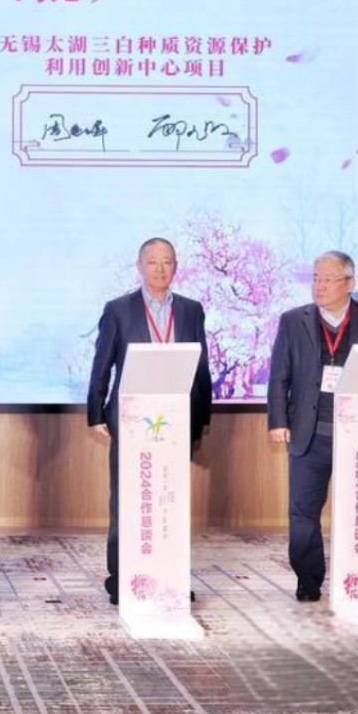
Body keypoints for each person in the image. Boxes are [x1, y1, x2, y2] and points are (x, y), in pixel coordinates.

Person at [86, 237, 212, 605]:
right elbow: (102, 364)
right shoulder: (118, 310)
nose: (160, 268)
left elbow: (201, 367)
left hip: (176, 420)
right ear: (139, 266)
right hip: (130, 421)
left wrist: (201, 417)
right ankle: (122, 577)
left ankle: (171, 576)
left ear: (176, 267)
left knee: (169, 501)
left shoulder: (191, 310)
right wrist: (95, 412)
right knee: (128, 500)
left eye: (167, 261)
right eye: (152, 261)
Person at [268, 250, 358, 602]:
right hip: (309, 434)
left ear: (349, 283)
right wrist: (278, 421)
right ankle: (308, 581)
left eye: (328, 279)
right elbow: (279, 376)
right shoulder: (293, 320)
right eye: (315, 279)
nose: (319, 286)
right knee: (302, 513)